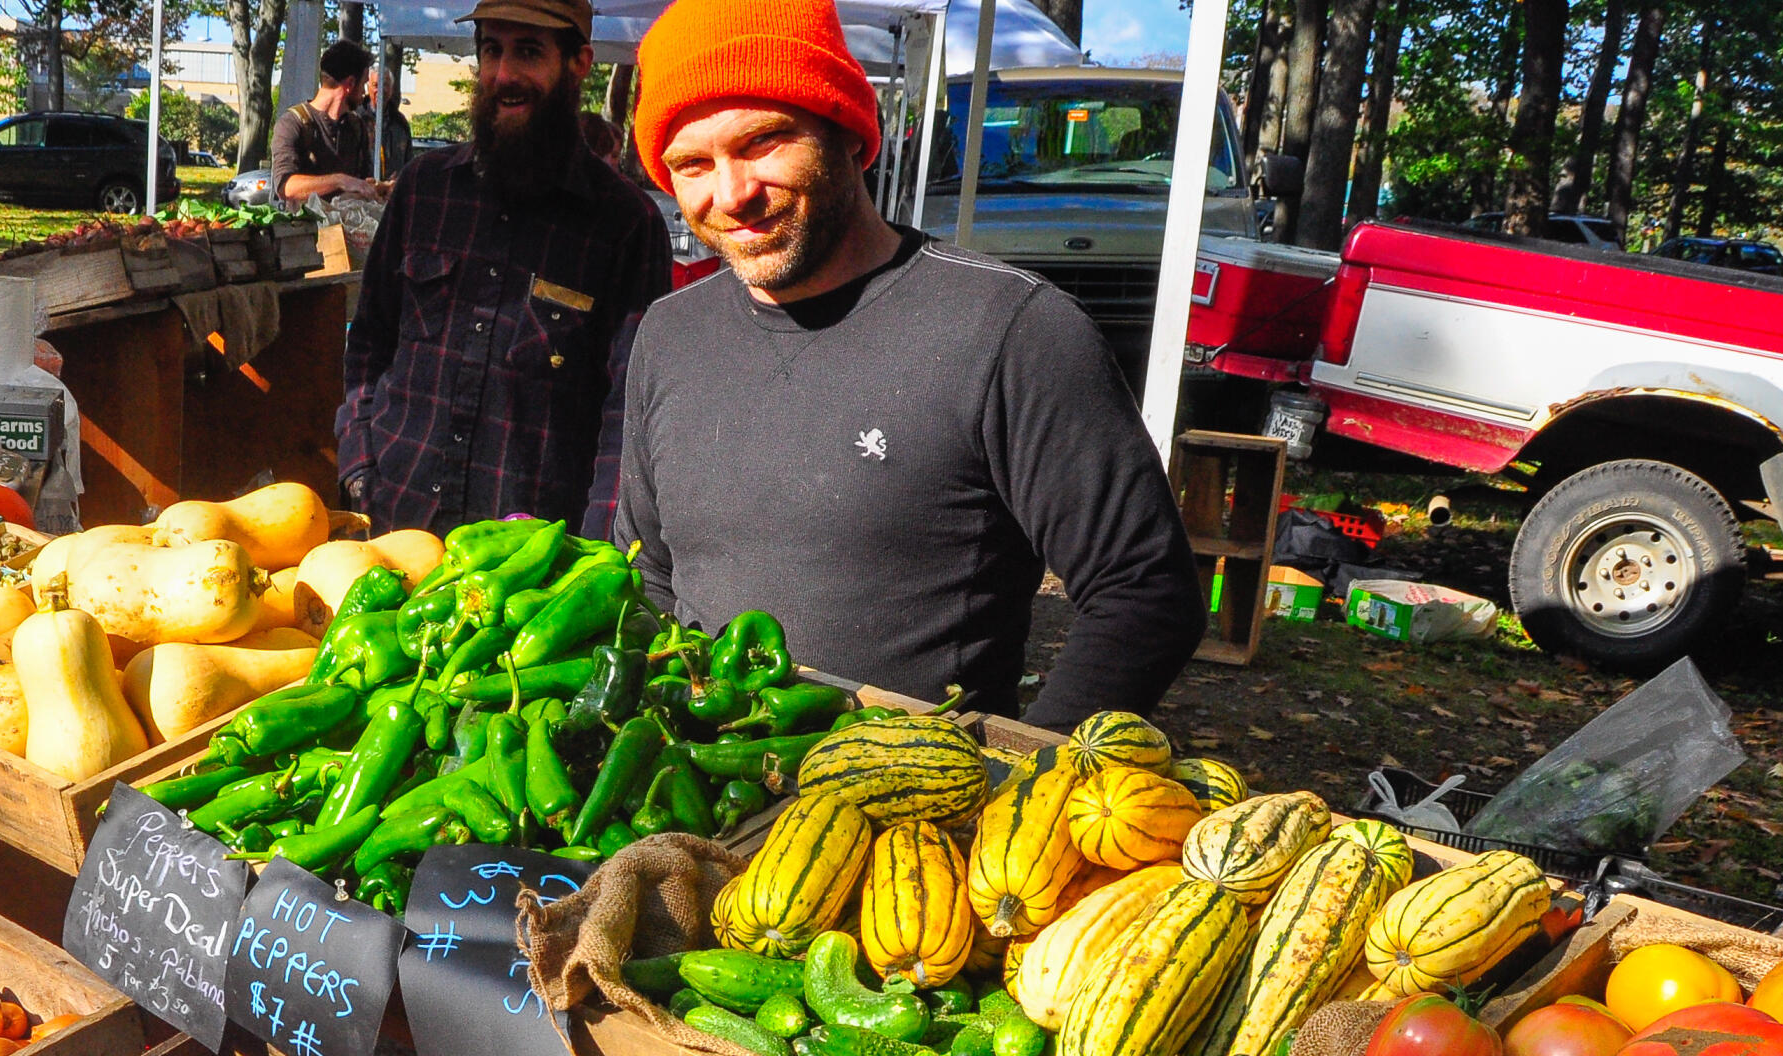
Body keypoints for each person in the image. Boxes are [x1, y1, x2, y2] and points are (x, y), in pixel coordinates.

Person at [611, 0, 1203, 726]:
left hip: (912, 823)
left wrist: (1023, 784)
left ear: (849, 133)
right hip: (705, 801)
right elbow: (650, 575)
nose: (731, 193)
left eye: (763, 141)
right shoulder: (670, 335)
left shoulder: (1009, 330)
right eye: (692, 164)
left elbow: (1145, 591)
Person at [338, 0, 670, 535]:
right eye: (491, 50)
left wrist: (593, 551)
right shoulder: (424, 191)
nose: (504, 74)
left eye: (529, 52)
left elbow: (629, 414)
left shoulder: (626, 225)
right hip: (394, 530)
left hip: (531, 571)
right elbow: (369, 342)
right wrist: (360, 465)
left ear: (579, 63)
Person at [271, 40, 379, 204]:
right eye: (364, 84)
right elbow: (287, 187)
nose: (364, 93)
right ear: (350, 83)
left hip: (347, 228)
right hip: (305, 229)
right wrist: (340, 180)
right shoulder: (293, 123)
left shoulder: (357, 127)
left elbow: (361, 183)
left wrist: (377, 189)